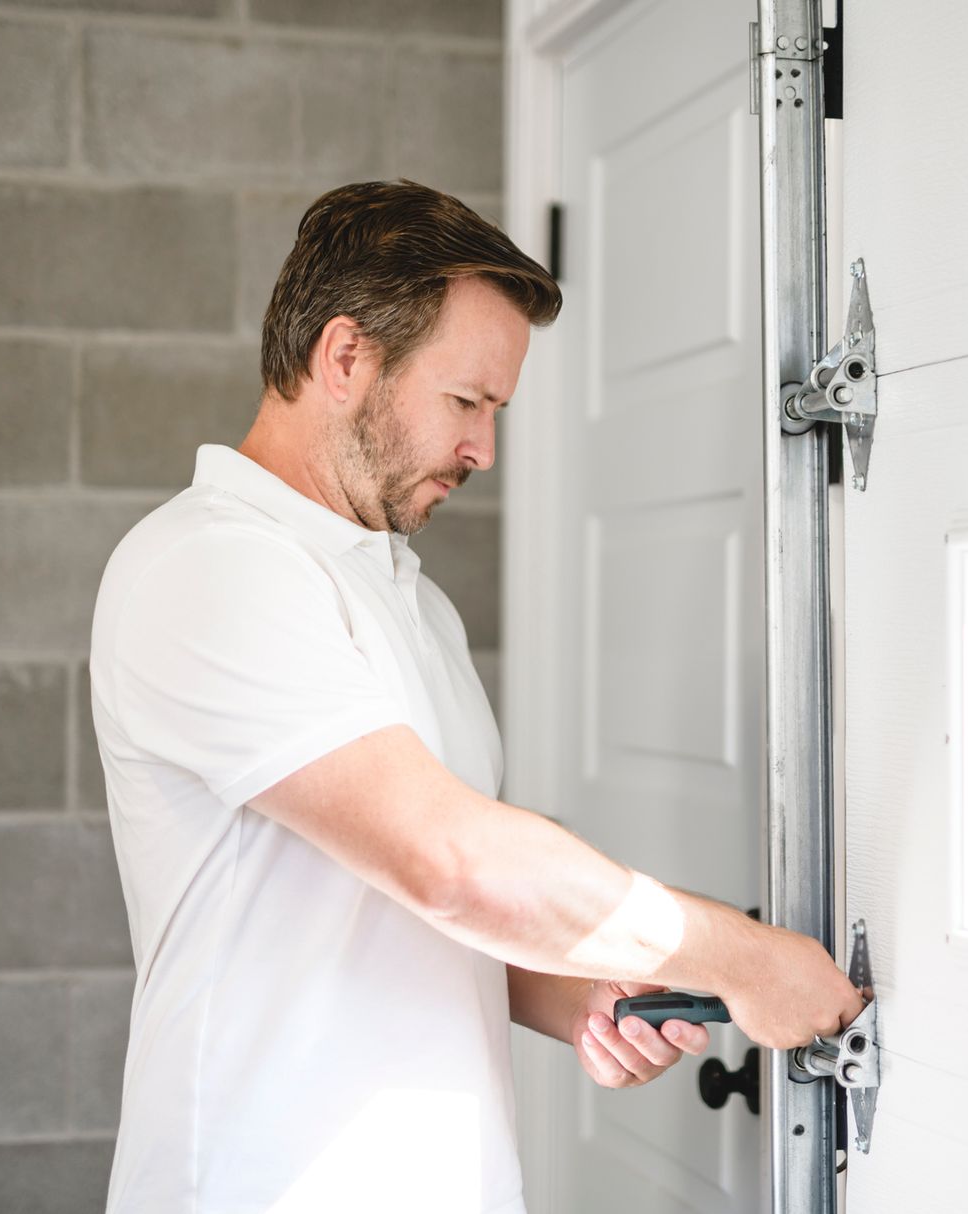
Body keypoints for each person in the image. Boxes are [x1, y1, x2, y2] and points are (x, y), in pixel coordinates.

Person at [89, 180, 865, 1214]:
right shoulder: (213, 567)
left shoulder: (408, 600)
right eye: (466, 402)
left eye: (495, 411)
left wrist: (582, 991)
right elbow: (453, 864)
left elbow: (418, 914)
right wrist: (743, 956)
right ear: (345, 356)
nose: (483, 450)